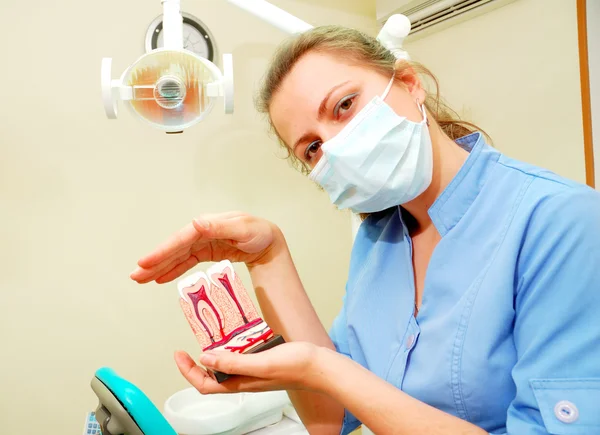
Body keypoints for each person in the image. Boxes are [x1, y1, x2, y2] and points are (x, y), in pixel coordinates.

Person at [130, 26, 600, 435]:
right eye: (311, 148)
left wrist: (322, 368)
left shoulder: (561, 223)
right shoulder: (379, 242)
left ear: (410, 82)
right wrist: (268, 256)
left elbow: (332, 375)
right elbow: (331, 419)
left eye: (344, 105)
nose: (335, 147)